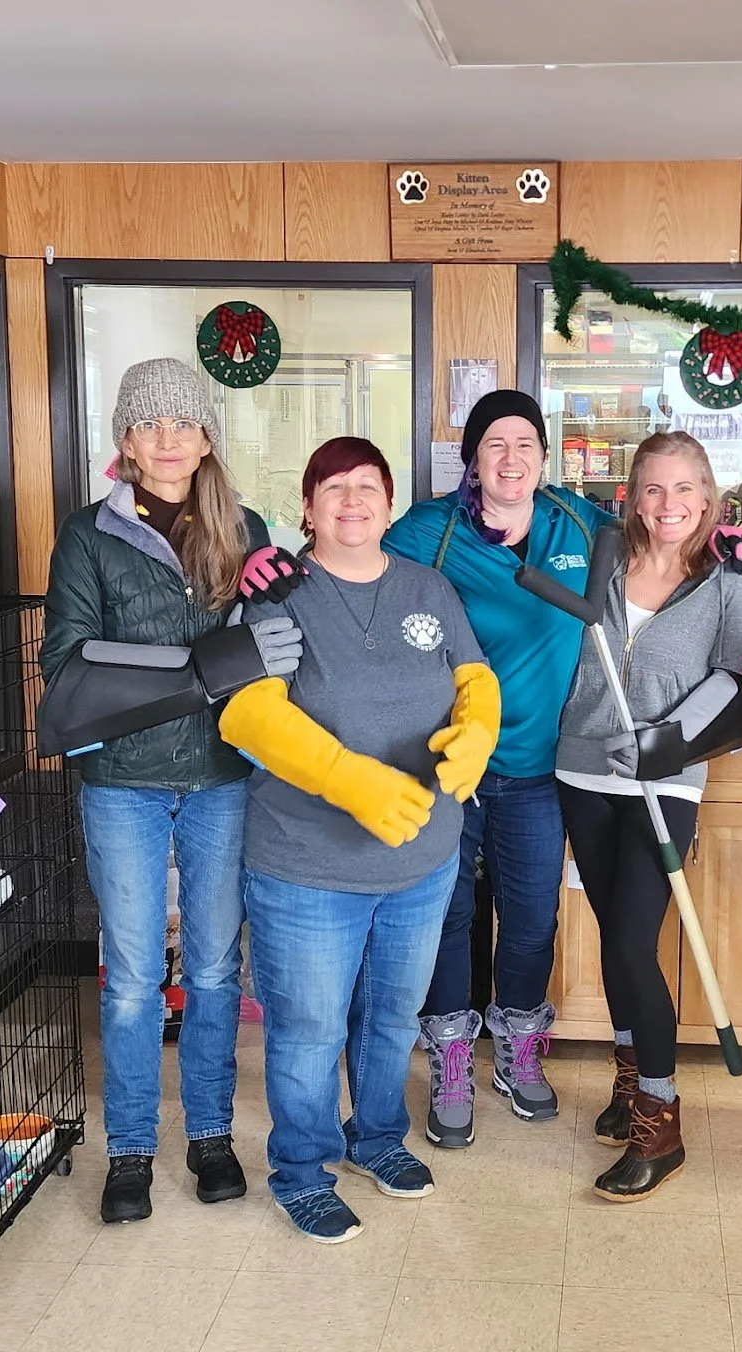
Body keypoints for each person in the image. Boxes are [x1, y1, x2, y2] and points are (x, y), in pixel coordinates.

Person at [382, 390, 742, 1148]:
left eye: (526, 443)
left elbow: (733, 672)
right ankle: (460, 1059)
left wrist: (738, 544)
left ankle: (554, 1064)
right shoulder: (439, 530)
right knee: (448, 918)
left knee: (547, 923)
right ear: (471, 457)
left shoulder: (591, 529)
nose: (511, 459)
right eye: (495, 443)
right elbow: (356, 565)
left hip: (562, 772)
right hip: (479, 765)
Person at [219, 437, 500, 1243]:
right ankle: (301, 1171)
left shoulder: (427, 587)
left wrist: (478, 731)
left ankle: (376, 1138)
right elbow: (247, 712)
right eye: (334, 487)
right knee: (308, 1030)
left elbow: (474, 677)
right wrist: (348, 779)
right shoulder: (277, 594)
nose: (352, 500)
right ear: (307, 508)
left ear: (389, 502)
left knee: (391, 1018)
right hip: (308, 865)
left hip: (421, 859)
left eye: (368, 486)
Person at [40, 357, 299, 1225]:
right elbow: (68, 658)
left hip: (222, 775)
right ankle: (130, 1149)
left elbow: (268, 647)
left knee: (219, 968)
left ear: (206, 436)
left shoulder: (243, 527)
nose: (168, 440)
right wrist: (195, 670)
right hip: (124, 780)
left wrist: (274, 606)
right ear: (125, 438)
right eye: (149, 424)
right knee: (132, 978)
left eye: (183, 423)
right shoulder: (89, 535)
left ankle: (212, 1136)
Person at [553, 433, 742, 1201]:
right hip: (582, 770)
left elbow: (733, 681)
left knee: (635, 940)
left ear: (707, 497)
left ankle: (661, 1117)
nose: (667, 504)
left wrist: (665, 743)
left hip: (665, 780)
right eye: (652, 488)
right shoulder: (601, 558)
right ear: (632, 496)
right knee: (612, 931)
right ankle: (630, 1073)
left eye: (683, 489)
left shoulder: (728, 577)